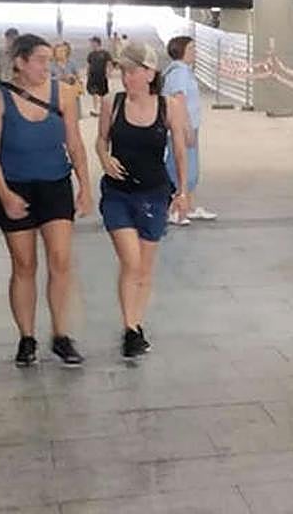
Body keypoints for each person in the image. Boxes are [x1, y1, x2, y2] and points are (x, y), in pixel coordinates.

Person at [0, 34, 92, 367]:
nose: (48, 66)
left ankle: (61, 335)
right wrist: (5, 195)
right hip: (14, 187)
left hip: (55, 185)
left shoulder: (64, 95)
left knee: (60, 260)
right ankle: (26, 337)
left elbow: (75, 144)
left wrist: (85, 185)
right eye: (41, 60)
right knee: (24, 265)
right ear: (20, 62)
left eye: (50, 59)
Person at [95, 42, 190, 359]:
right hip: (117, 193)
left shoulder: (169, 107)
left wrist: (183, 191)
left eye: (133, 71)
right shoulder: (112, 102)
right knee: (131, 261)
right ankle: (130, 325)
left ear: (150, 73)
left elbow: (179, 150)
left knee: (144, 269)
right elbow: (101, 140)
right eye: (123, 71)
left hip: (154, 193)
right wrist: (104, 158)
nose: (127, 78)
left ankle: (133, 327)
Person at [161, 36, 216, 224]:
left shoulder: (182, 71)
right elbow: (179, 101)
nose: (195, 52)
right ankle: (175, 209)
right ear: (180, 50)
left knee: (190, 168)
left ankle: (188, 206)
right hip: (183, 128)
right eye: (191, 48)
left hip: (188, 125)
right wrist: (186, 128)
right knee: (183, 169)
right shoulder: (179, 73)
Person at [86, 36, 114, 117]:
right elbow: (89, 64)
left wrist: (109, 73)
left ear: (96, 43)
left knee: (102, 93)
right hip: (92, 76)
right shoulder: (91, 54)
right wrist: (87, 73)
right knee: (94, 93)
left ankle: (102, 109)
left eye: (92, 42)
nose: (91, 44)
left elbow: (109, 64)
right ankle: (95, 109)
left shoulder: (105, 53)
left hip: (102, 76)